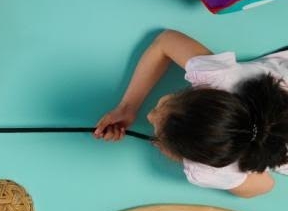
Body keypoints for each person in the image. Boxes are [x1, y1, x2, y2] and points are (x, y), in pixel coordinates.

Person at [95, 30, 288, 198]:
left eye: (157, 130)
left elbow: (265, 185)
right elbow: (166, 41)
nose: (149, 117)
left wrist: (188, 155)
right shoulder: (219, 77)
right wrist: (127, 108)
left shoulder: (214, 171)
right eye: (159, 108)